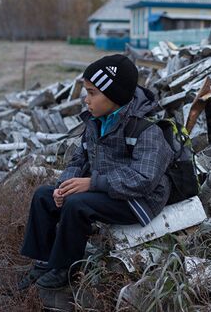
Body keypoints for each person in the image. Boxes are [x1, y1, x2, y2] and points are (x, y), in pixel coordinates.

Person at [18, 54, 173, 290]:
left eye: (92, 93)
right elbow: (79, 159)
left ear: (115, 96)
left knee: (77, 204)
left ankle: (64, 268)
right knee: (43, 196)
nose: (85, 100)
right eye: (86, 92)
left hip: (139, 200)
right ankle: (43, 262)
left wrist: (92, 184)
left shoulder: (146, 130)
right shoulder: (95, 122)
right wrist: (65, 185)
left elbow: (144, 179)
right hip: (105, 190)